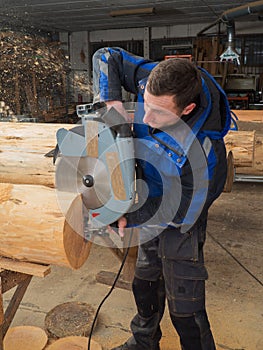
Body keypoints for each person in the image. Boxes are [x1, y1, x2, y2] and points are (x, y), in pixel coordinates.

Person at [92, 47, 231, 350]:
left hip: (182, 213)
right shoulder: (154, 79)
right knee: (144, 280)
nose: (146, 117)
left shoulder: (204, 155)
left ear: (188, 109)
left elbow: (179, 213)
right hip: (150, 193)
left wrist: (131, 215)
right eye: (145, 106)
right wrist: (111, 101)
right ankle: (144, 341)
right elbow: (107, 56)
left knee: (185, 301)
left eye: (159, 113)